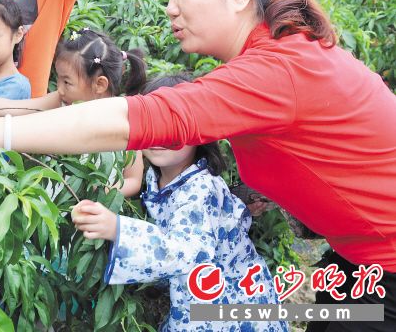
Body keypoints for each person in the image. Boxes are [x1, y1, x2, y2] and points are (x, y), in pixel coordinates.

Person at [0, 0, 396, 331]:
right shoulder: (271, 59)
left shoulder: (278, 69)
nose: (170, 7)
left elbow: (134, 118)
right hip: (360, 258)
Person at [73, 74, 285, 332]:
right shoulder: (156, 178)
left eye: (174, 126)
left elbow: (184, 251)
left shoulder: (202, 186)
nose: (162, 136)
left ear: (200, 132)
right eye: (154, 125)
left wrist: (118, 229)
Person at [0, 27, 145, 195]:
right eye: (58, 79)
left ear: (99, 85)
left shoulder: (126, 120)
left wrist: (105, 192)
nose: (59, 88)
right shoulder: (61, 102)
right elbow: (15, 108)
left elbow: (133, 179)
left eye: (67, 82)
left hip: (86, 216)